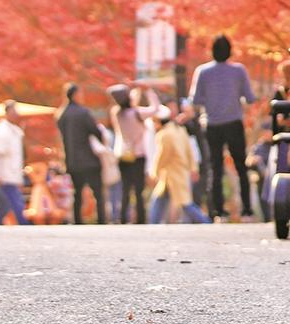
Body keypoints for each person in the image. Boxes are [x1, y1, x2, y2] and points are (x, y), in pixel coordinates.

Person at [189, 35, 256, 222]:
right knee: (241, 167)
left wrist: (212, 101)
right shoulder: (238, 70)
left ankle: (218, 212)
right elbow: (250, 97)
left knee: (215, 168)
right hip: (234, 122)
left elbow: (195, 100)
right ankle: (247, 211)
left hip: (212, 125)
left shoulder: (203, 71)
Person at [149, 106, 212, 225]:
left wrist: (154, 172)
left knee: (185, 203)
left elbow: (163, 156)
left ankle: (205, 222)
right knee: (160, 199)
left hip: (173, 172)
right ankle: (153, 223)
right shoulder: (180, 130)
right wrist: (193, 168)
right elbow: (190, 151)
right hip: (178, 172)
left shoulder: (164, 134)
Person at [108, 83, 160, 224]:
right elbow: (155, 109)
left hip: (124, 156)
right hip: (138, 156)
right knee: (138, 190)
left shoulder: (116, 113)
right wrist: (149, 91)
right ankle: (141, 219)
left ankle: (123, 217)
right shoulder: (137, 113)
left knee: (125, 189)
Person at [57, 83, 106, 225]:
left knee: (77, 192)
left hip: (72, 160)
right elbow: (96, 131)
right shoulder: (83, 113)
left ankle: (78, 220)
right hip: (89, 159)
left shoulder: (62, 114)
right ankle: (101, 219)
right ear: (75, 95)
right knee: (97, 192)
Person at [0, 101, 30, 226]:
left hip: (12, 172)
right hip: (5, 174)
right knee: (16, 202)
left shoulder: (14, 131)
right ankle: (24, 223)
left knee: (2, 204)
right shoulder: (2, 132)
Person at [91, 117, 122, 223]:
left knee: (111, 193)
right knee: (107, 193)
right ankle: (109, 216)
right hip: (105, 170)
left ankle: (113, 215)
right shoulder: (103, 138)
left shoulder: (101, 136)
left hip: (107, 170)